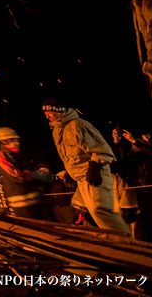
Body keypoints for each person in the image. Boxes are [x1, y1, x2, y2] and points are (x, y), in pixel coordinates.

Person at [42, 99, 131, 234]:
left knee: (102, 211)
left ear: (60, 111)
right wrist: (70, 173)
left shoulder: (78, 125)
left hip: (95, 176)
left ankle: (126, 244)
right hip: (82, 179)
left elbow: (103, 150)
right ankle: (113, 241)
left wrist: (95, 167)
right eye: (45, 113)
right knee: (87, 209)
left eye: (50, 112)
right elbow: (71, 156)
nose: (47, 116)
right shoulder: (57, 131)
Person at [0, 127, 45, 219]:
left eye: (17, 140)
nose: (17, 143)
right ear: (4, 142)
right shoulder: (1, 157)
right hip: (21, 205)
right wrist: (34, 174)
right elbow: (16, 176)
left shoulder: (17, 155)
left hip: (33, 200)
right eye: (13, 140)